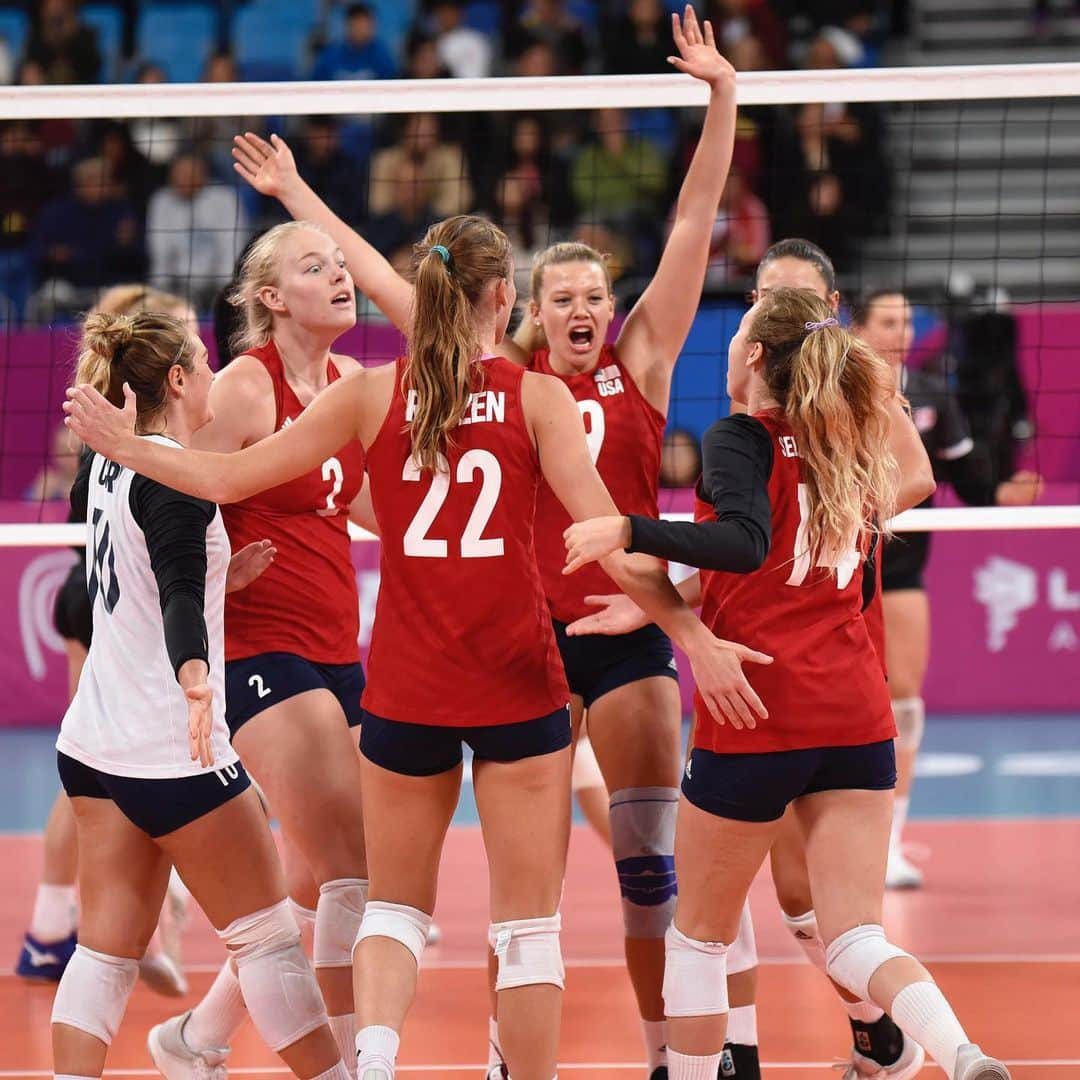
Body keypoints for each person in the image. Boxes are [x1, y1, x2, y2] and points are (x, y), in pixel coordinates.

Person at [65, 212, 767, 1080]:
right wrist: (693, 635)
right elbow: (612, 540)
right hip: (514, 678)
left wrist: (128, 446)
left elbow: (224, 477)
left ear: (423, 295)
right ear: (506, 299)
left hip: (405, 683)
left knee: (389, 906)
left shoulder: (366, 394)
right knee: (525, 927)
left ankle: (376, 1063)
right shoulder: (536, 396)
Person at [228, 11, 739, 1076]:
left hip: (622, 622)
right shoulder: (495, 375)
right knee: (524, 894)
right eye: (566, 297)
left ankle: (667, 1052)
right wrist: (297, 200)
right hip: (522, 637)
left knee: (647, 867)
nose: (586, 308)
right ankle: (516, 1053)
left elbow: (694, 222)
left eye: (598, 293)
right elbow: (382, 274)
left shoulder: (640, 359)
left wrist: (721, 101)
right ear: (527, 308)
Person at [561, 287, 1012, 1080]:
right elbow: (894, 490)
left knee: (697, 936)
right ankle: (962, 1052)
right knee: (857, 937)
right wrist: (659, 606)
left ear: (757, 358)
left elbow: (741, 544)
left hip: (759, 709)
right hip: (855, 715)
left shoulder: (743, 437)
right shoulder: (845, 446)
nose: (731, 347)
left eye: (738, 336)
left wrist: (627, 528)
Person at [51, 310, 350, 1080]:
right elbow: (179, 593)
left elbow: (154, 571)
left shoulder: (112, 466)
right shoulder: (174, 474)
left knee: (105, 952)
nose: (221, 376)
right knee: (269, 941)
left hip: (94, 745)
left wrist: (224, 576)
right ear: (178, 380)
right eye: (206, 365)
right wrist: (194, 677)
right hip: (171, 752)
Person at [146, 221, 372, 1080]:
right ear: (273, 299)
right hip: (259, 649)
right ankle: (352, 1067)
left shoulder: (348, 382)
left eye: (343, 263)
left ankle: (195, 1040)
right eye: (316, 267)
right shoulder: (244, 387)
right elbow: (176, 499)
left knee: (316, 878)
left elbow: (359, 505)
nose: (340, 276)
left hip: (335, 644)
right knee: (357, 869)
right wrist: (213, 581)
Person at [17, 286, 203, 999]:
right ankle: (130, 927)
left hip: (95, 587)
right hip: (111, 600)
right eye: (188, 340)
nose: (200, 354)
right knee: (117, 762)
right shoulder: (141, 438)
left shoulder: (104, 424)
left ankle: (73, 927)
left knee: (92, 760)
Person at [850, 289, 1043, 889]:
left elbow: (966, 481)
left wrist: (1000, 494)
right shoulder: (827, 388)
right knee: (835, 704)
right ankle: (819, 835)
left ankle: (889, 844)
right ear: (855, 325)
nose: (901, 332)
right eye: (887, 321)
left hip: (902, 570)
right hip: (830, 568)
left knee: (901, 699)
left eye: (908, 321)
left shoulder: (931, 394)